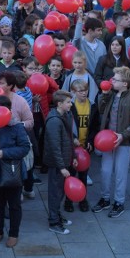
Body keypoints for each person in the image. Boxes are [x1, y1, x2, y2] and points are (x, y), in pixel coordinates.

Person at [0, 95, 31, 248]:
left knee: (14, 205)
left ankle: (13, 234)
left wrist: (6, 153)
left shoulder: (16, 127)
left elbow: (24, 148)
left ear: (7, 109)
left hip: (12, 171)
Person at [92, 67, 130, 218]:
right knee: (105, 171)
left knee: (120, 173)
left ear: (125, 84)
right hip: (107, 141)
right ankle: (105, 198)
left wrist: (123, 135)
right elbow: (100, 109)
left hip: (123, 142)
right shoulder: (111, 95)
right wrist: (104, 95)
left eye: (116, 79)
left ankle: (119, 201)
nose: (112, 80)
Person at [44, 90, 76, 235]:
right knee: (55, 192)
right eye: (68, 102)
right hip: (57, 163)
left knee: (60, 191)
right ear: (59, 104)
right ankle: (54, 222)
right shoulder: (54, 121)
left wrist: (73, 156)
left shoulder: (66, 115)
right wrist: (62, 166)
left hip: (65, 160)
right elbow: (55, 146)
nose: (71, 104)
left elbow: (69, 139)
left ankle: (56, 215)